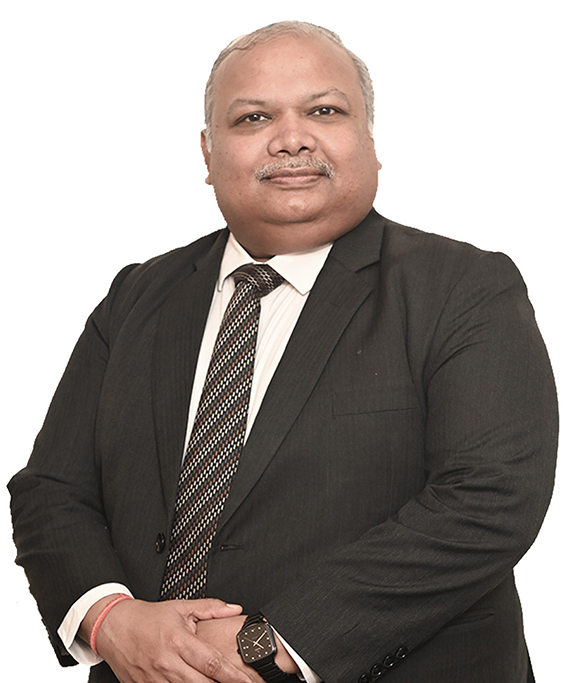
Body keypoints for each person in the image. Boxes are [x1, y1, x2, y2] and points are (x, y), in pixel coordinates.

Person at [8, 20, 557, 683]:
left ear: (369, 139)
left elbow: (488, 499)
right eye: (253, 117)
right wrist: (109, 618)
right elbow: (51, 489)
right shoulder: (137, 294)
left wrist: (269, 640)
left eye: (324, 111)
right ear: (208, 152)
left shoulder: (462, 287)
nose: (291, 138)